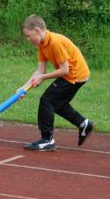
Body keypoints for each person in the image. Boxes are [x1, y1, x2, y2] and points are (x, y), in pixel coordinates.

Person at [19, 14, 95, 151]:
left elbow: (64, 70)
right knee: (56, 103)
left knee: (47, 100)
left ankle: (47, 140)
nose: (28, 39)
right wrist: (24, 88)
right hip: (72, 74)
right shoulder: (42, 45)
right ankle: (83, 123)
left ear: (37, 30)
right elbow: (40, 70)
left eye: (28, 35)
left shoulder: (55, 42)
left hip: (75, 75)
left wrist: (43, 77)